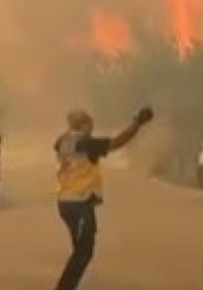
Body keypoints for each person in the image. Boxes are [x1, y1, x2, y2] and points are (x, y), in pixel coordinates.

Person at [53, 106, 153, 290]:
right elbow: (118, 142)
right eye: (90, 125)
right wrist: (137, 123)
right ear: (83, 125)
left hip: (65, 203)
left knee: (81, 250)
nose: (92, 129)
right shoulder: (85, 143)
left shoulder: (62, 141)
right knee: (84, 252)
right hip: (79, 202)